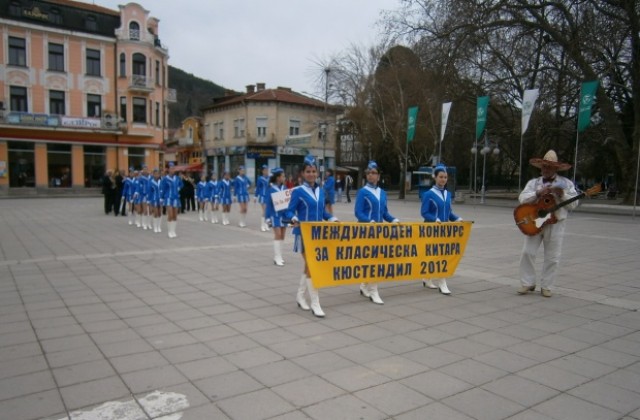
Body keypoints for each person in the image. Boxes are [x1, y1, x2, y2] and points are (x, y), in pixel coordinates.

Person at [518, 150, 578, 297]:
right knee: (528, 252)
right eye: (544, 167)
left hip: (556, 222)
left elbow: (574, 204)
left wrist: (562, 194)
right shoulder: (534, 183)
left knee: (552, 256)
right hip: (535, 221)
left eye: (549, 167)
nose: (546, 169)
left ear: (556, 169)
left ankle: (547, 286)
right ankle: (528, 283)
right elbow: (522, 199)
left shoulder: (566, 184)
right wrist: (537, 193)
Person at [286, 155, 338, 318]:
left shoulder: (320, 191)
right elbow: (288, 211)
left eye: (314, 171)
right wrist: (293, 218)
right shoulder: (298, 191)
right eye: (308, 171)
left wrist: (331, 218)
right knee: (313, 266)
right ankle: (315, 303)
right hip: (303, 234)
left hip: (318, 235)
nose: (311, 174)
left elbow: (322, 211)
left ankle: (300, 296)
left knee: (309, 266)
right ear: (302, 173)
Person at [354, 161, 399, 304]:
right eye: (369, 173)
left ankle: (364, 285)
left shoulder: (383, 193)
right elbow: (358, 212)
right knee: (372, 261)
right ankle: (373, 291)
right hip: (366, 231)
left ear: (379, 176)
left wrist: (393, 220)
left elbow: (384, 212)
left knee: (375, 260)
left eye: (374, 173)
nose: (371, 175)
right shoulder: (362, 192)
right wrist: (368, 222)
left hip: (379, 232)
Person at [420, 163, 462, 295]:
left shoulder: (448, 194)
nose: (443, 179)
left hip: (444, 230)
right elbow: (424, 212)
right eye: (441, 177)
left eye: (445, 177)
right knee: (434, 255)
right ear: (435, 178)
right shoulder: (428, 194)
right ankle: (438, 281)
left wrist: (456, 218)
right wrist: (435, 219)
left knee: (441, 255)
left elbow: (448, 212)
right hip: (432, 229)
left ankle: (433, 280)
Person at [265, 167, 288, 266]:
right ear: (278, 178)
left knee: (282, 235)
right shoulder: (271, 189)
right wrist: (267, 217)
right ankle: (277, 257)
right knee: (278, 234)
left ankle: (279, 256)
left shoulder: (285, 188)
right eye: (283, 176)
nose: (284, 177)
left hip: (284, 215)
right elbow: (268, 204)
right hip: (275, 215)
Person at [160, 162, 183, 238]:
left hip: (176, 198)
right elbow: (162, 189)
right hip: (168, 198)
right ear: (168, 169)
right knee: (170, 215)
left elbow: (181, 184)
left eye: (173, 168)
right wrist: (161, 198)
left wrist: (178, 189)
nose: (172, 170)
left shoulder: (177, 178)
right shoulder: (165, 179)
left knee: (175, 216)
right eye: (171, 168)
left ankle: (173, 231)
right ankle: (169, 231)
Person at [255, 164, 270, 231]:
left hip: (268, 197)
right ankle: (262, 225)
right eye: (265, 170)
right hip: (262, 196)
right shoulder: (260, 179)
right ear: (263, 171)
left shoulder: (270, 178)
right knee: (265, 211)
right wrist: (255, 197)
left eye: (267, 170)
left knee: (268, 211)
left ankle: (266, 225)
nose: (266, 171)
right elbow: (258, 188)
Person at [149, 168, 163, 233]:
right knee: (156, 213)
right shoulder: (151, 182)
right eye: (155, 174)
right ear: (153, 174)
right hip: (154, 199)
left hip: (160, 199)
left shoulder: (161, 181)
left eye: (158, 174)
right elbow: (149, 192)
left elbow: (163, 190)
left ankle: (159, 226)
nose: (157, 175)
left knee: (160, 213)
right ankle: (155, 227)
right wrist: (149, 201)